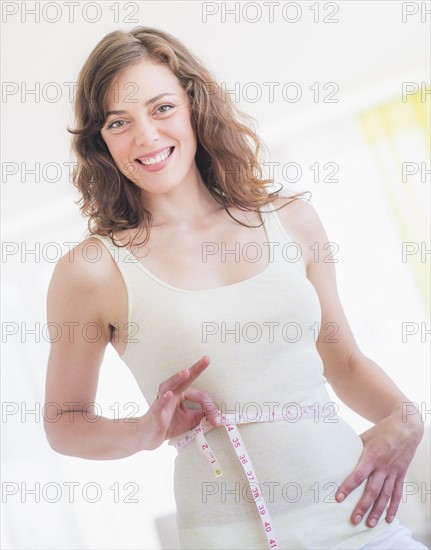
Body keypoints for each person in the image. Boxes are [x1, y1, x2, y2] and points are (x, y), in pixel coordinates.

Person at [44, 26, 428, 550]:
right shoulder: (90, 271)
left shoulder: (292, 221)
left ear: (193, 105)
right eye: (119, 122)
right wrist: (141, 431)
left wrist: (407, 418)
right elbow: (64, 424)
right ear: (100, 140)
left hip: (360, 528)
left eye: (161, 108)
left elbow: (345, 364)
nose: (147, 138)